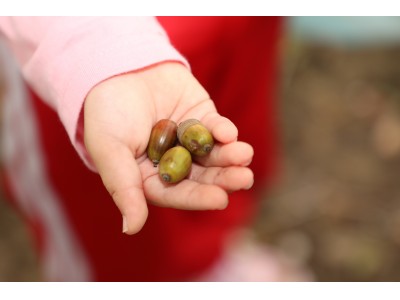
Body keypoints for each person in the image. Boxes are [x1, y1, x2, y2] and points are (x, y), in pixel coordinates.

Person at [0, 16, 308, 281]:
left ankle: (208, 259)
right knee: (108, 230)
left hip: (227, 26)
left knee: (230, 143)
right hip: (80, 51)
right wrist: (95, 47)